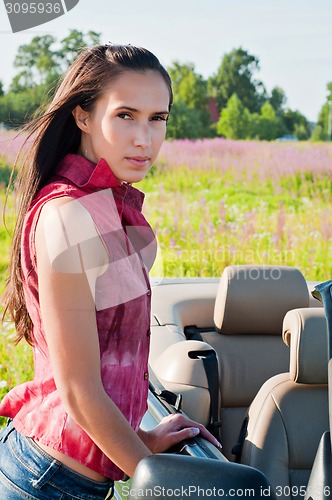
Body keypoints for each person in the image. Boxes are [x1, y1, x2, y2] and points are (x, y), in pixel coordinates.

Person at [0, 44, 221, 499]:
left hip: (74, 475)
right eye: (125, 116)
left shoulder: (110, 207)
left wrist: (140, 442)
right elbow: (79, 391)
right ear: (82, 116)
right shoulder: (68, 214)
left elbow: (105, 364)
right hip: (46, 481)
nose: (145, 138)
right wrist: (158, 480)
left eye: (158, 118)